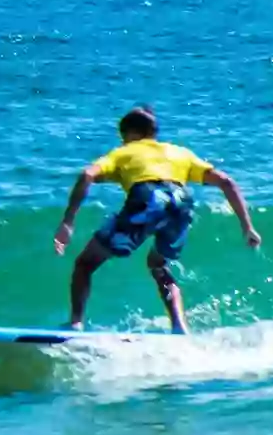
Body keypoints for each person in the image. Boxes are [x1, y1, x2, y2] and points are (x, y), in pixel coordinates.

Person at [52, 106, 261, 333]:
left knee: (85, 264)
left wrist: (68, 221)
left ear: (129, 135)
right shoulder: (179, 152)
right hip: (182, 201)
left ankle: (75, 323)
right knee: (158, 265)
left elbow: (87, 175)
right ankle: (180, 326)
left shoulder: (125, 152)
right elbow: (226, 182)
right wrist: (247, 227)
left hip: (149, 197)